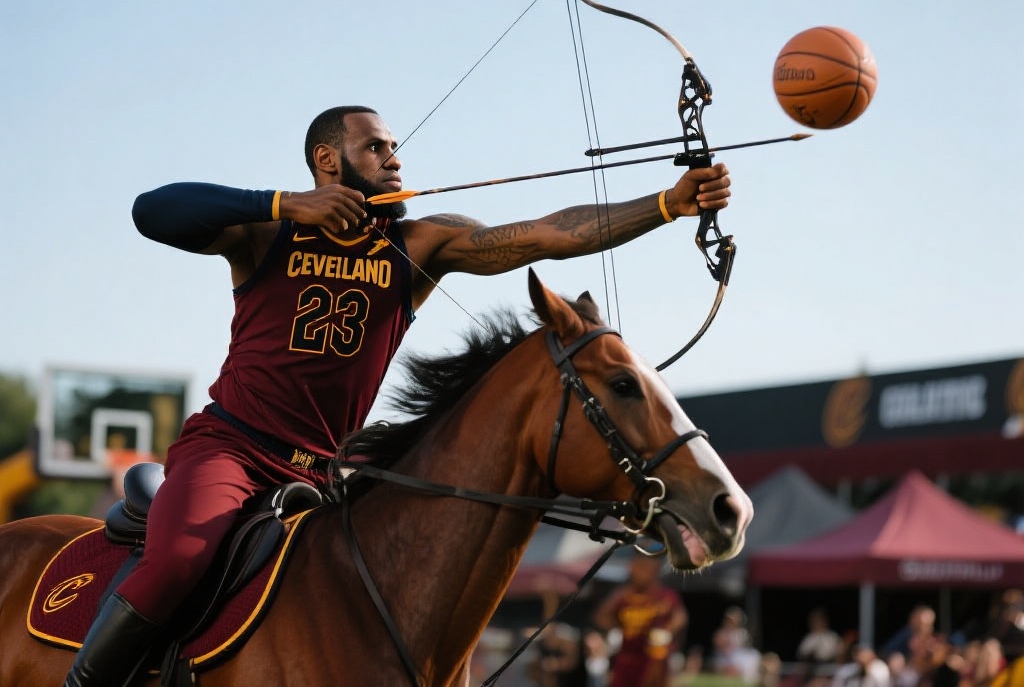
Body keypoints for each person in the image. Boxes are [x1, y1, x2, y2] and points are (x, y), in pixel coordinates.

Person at [63, 105, 733, 686]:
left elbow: (545, 234)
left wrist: (668, 204)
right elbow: (151, 210)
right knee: (177, 558)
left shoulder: (415, 245)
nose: (394, 157)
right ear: (329, 161)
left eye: (394, 147)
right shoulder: (268, 233)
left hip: (327, 473)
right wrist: (284, 204)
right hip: (233, 451)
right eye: (376, 147)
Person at [593, 553, 688, 687]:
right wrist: (619, 624)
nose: (634, 572)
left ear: (654, 571)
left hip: (654, 659)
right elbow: (600, 617)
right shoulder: (624, 595)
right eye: (633, 568)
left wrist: (666, 629)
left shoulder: (665, 596)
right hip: (627, 657)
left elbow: (680, 617)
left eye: (641, 568)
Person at [712, 606, 761, 683]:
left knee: (754, 654)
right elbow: (722, 647)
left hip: (739, 658)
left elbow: (747, 648)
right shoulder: (721, 633)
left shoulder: (742, 633)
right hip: (725, 658)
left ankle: (749, 680)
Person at [796, 607, 843, 685]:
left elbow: (839, 653)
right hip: (812, 671)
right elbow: (801, 654)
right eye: (815, 621)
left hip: (829, 671)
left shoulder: (832, 636)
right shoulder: (809, 638)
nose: (817, 623)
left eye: (819, 621)